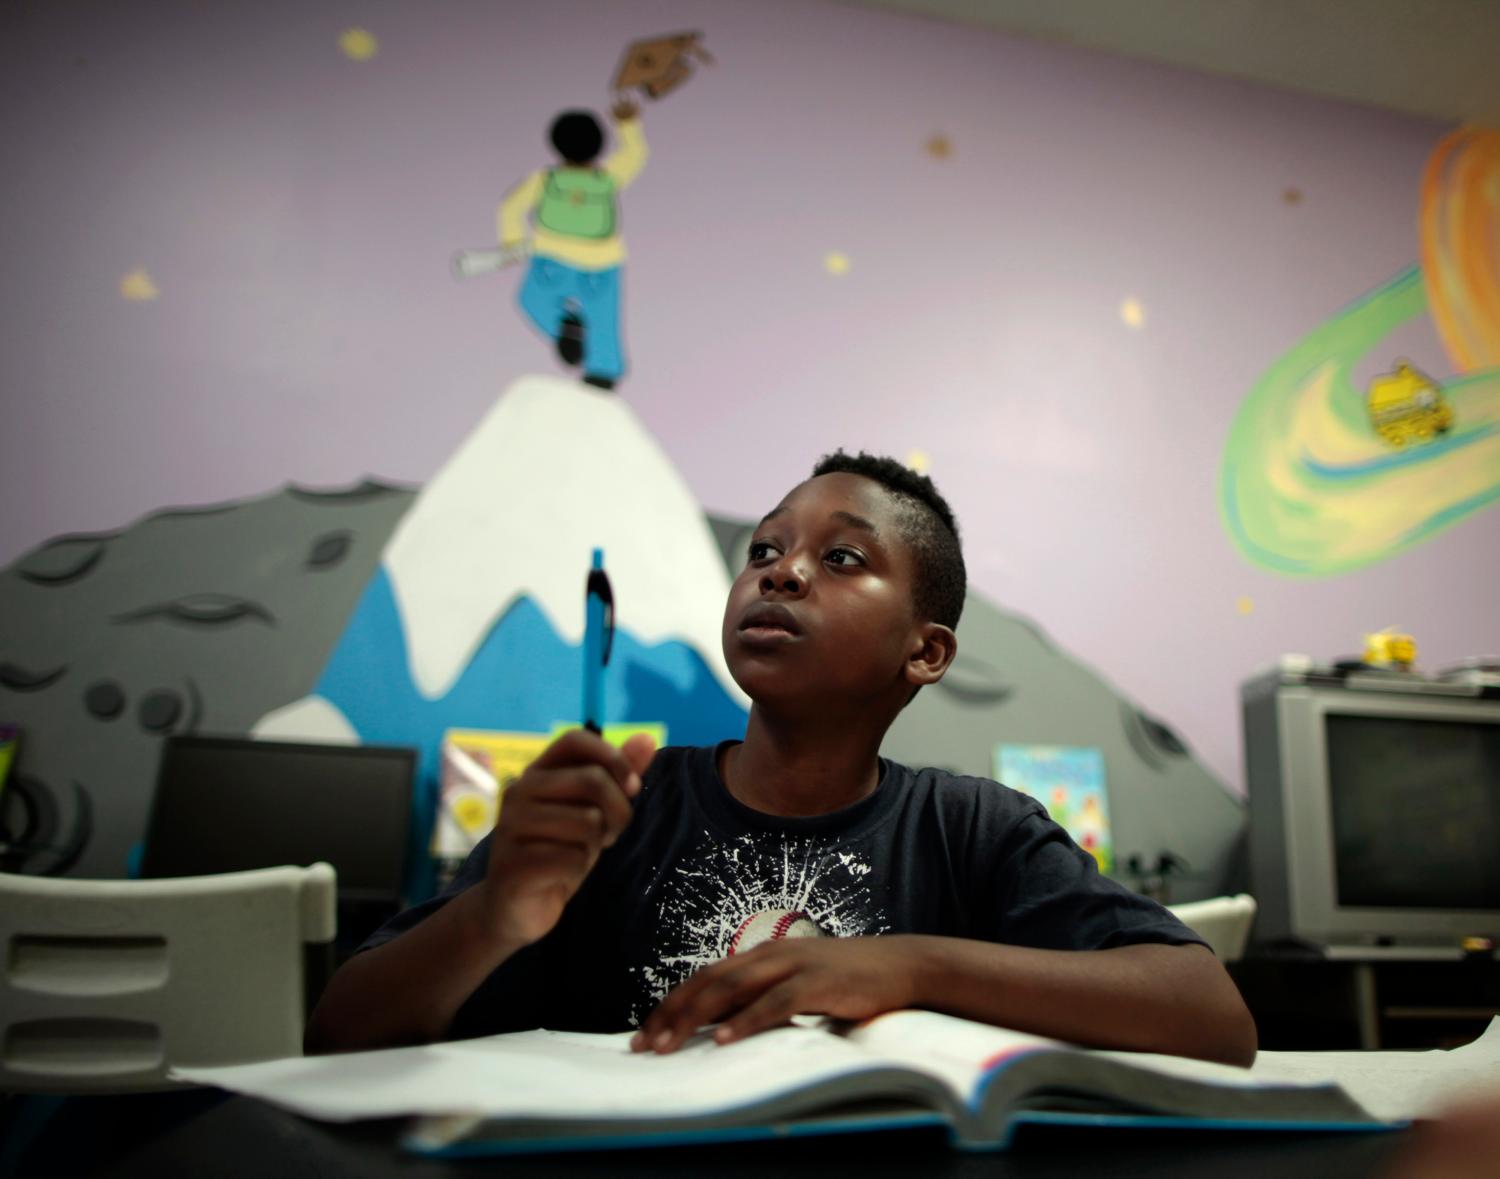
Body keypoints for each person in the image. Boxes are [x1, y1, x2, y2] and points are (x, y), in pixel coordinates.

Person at [305, 452, 1257, 1066]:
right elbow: (340, 1032)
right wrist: (493, 916)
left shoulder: (973, 829)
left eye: (843, 558)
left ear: (926, 651)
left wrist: (906, 967)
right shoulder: (619, 809)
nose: (781, 569)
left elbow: (1212, 1014)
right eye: (765, 547)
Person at [497, 102, 646, 390]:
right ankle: (602, 372)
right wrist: (627, 125)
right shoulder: (606, 178)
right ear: (599, 146)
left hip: (552, 260)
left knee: (533, 300)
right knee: (603, 317)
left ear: (556, 144)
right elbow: (634, 156)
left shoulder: (545, 180)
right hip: (603, 263)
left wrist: (513, 244)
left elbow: (510, 207)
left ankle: (565, 327)